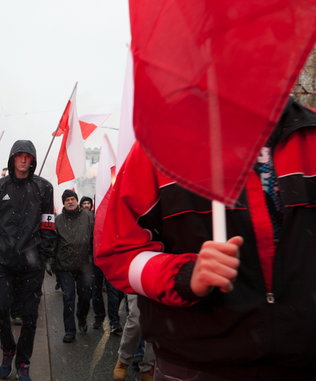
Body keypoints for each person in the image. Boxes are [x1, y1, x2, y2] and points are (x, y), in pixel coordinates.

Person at [96, 99, 316, 381]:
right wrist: (183, 276)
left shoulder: (310, 133)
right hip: (197, 364)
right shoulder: (161, 144)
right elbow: (117, 250)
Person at [0, 140, 55, 381]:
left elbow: (48, 223)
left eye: (28, 156)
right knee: (0, 308)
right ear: (13, 158)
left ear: (33, 159)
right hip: (1, 261)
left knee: (30, 317)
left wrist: (43, 253)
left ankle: (23, 362)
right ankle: (8, 349)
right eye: (20, 156)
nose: (24, 160)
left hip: (32, 264)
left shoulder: (44, 188)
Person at [53, 189, 94, 343]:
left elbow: (95, 238)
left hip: (85, 266)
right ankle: (70, 330)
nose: (70, 202)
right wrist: (52, 263)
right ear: (63, 203)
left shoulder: (89, 217)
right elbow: (53, 244)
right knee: (68, 298)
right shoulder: (58, 221)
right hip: (65, 267)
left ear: (77, 201)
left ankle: (81, 318)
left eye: (72, 199)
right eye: (67, 200)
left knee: (85, 297)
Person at [113, 295, 154, 381]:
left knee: (154, 322)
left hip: (160, 282)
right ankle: (123, 360)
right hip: (138, 283)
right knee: (136, 320)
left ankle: (147, 368)